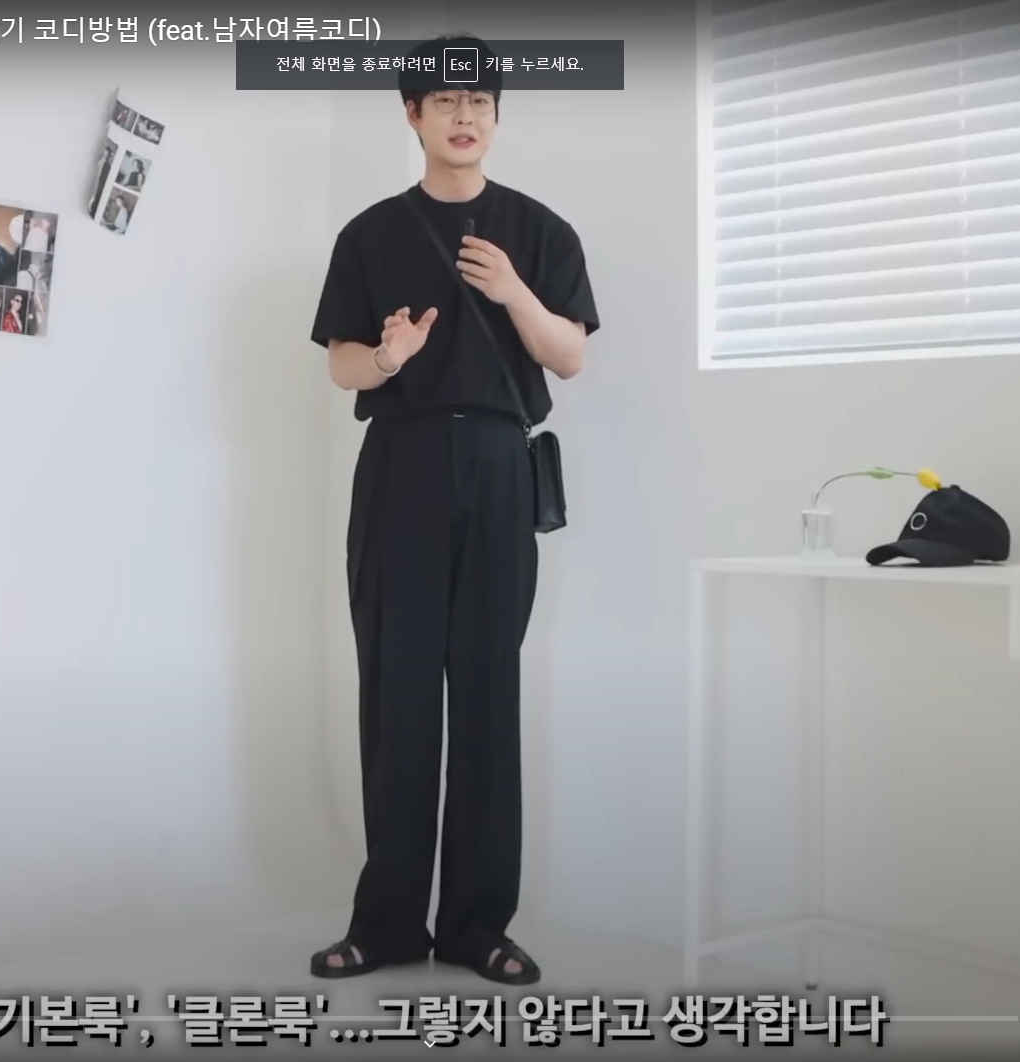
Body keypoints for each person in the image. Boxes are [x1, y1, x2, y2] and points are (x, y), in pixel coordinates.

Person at [307, 32, 599, 987]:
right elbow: (341, 364)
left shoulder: (541, 231)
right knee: (395, 695)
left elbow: (568, 356)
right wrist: (386, 357)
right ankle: (388, 922)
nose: (464, 116)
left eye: (478, 102)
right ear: (413, 115)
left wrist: (512, 292)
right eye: (444, 101)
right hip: (400, 464)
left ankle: (476, 925)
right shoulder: (369, 235)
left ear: (497, 116)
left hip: (500, 466)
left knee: (485, 694)